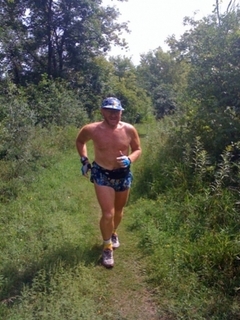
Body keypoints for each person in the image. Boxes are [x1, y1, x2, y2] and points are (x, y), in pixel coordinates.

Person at [76, 97, 142, 268]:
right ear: (103, 111)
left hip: (123, 174)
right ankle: (107, 247)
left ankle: (113, 232)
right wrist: (84, 160)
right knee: (108, 213)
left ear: (121, 112)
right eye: (109, 111)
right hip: (101, 174)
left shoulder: (129, 129)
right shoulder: (92, 129)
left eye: (116, 111)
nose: (113, 114)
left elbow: (137, 149)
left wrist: (129, 159)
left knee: (119, 210)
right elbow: (80, 141)